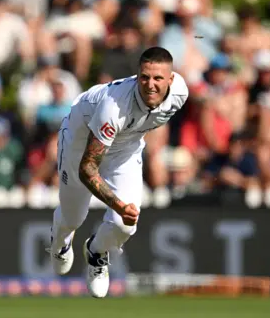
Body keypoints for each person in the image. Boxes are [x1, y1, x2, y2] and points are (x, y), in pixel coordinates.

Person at [48, 47, 189, 298]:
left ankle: (96, 252)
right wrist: (118, 203)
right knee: (73, 218)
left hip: (125, 149)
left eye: (158, 78)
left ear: (171, 79)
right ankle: (60, 239)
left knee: (125, 226)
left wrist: (122, 210)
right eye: (144, 77)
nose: (150, 85)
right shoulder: (114, 107)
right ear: (137, 76)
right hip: (80, 146)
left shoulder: (180, 93)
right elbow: (87, 169)